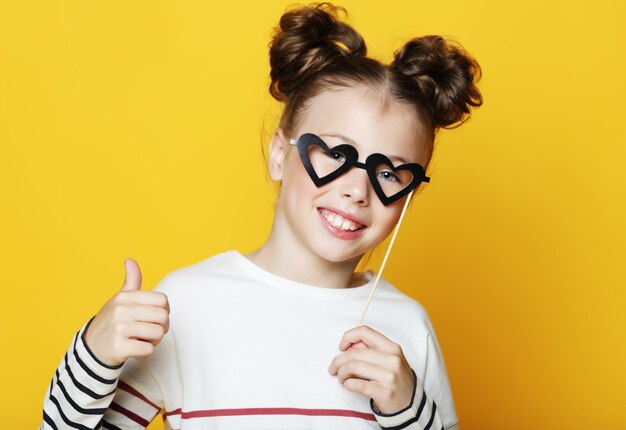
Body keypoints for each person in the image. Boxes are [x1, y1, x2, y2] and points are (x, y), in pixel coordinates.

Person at [40, 2, 482, 429]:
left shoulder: (407, 325)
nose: (357, 188)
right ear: (278, 153)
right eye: (333, 153)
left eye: (388, 172)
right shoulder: (188, 304)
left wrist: (408, 408)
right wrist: (93, 354)